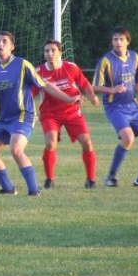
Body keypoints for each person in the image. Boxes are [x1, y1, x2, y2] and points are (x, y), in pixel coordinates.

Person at [0, 31, 81, 196]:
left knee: (16, 149)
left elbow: (45, 85)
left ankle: (34, 190)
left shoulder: (22, 64)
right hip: (4, 119)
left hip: (24, 115)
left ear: (12, 47)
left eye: (4, 41)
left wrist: (68, 99)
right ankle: (8, 188)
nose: (0, 44)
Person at [93, 26, 138, 187]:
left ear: (128, 41)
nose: (118, 42)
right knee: (128, 138)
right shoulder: (106, 60)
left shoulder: (135, 57)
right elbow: (94, 87)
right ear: (111, 42)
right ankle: (111, 176)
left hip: (132, 106)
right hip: (114, 107)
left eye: (121, 39)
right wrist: (112, 89)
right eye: (115, 39)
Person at [33, 40, 99, 189]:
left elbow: (84, 83)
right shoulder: (39, 72)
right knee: (51, 142)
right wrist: (27, 109)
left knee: (87, 143)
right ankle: (49, 179)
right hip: (50, 113)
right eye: (46, 51)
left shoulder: (71, 67)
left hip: (72, 112)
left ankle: (91, 179)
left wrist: (92, 96)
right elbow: (30, 93)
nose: (49, 54)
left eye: (53, 50)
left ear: (60, 53)